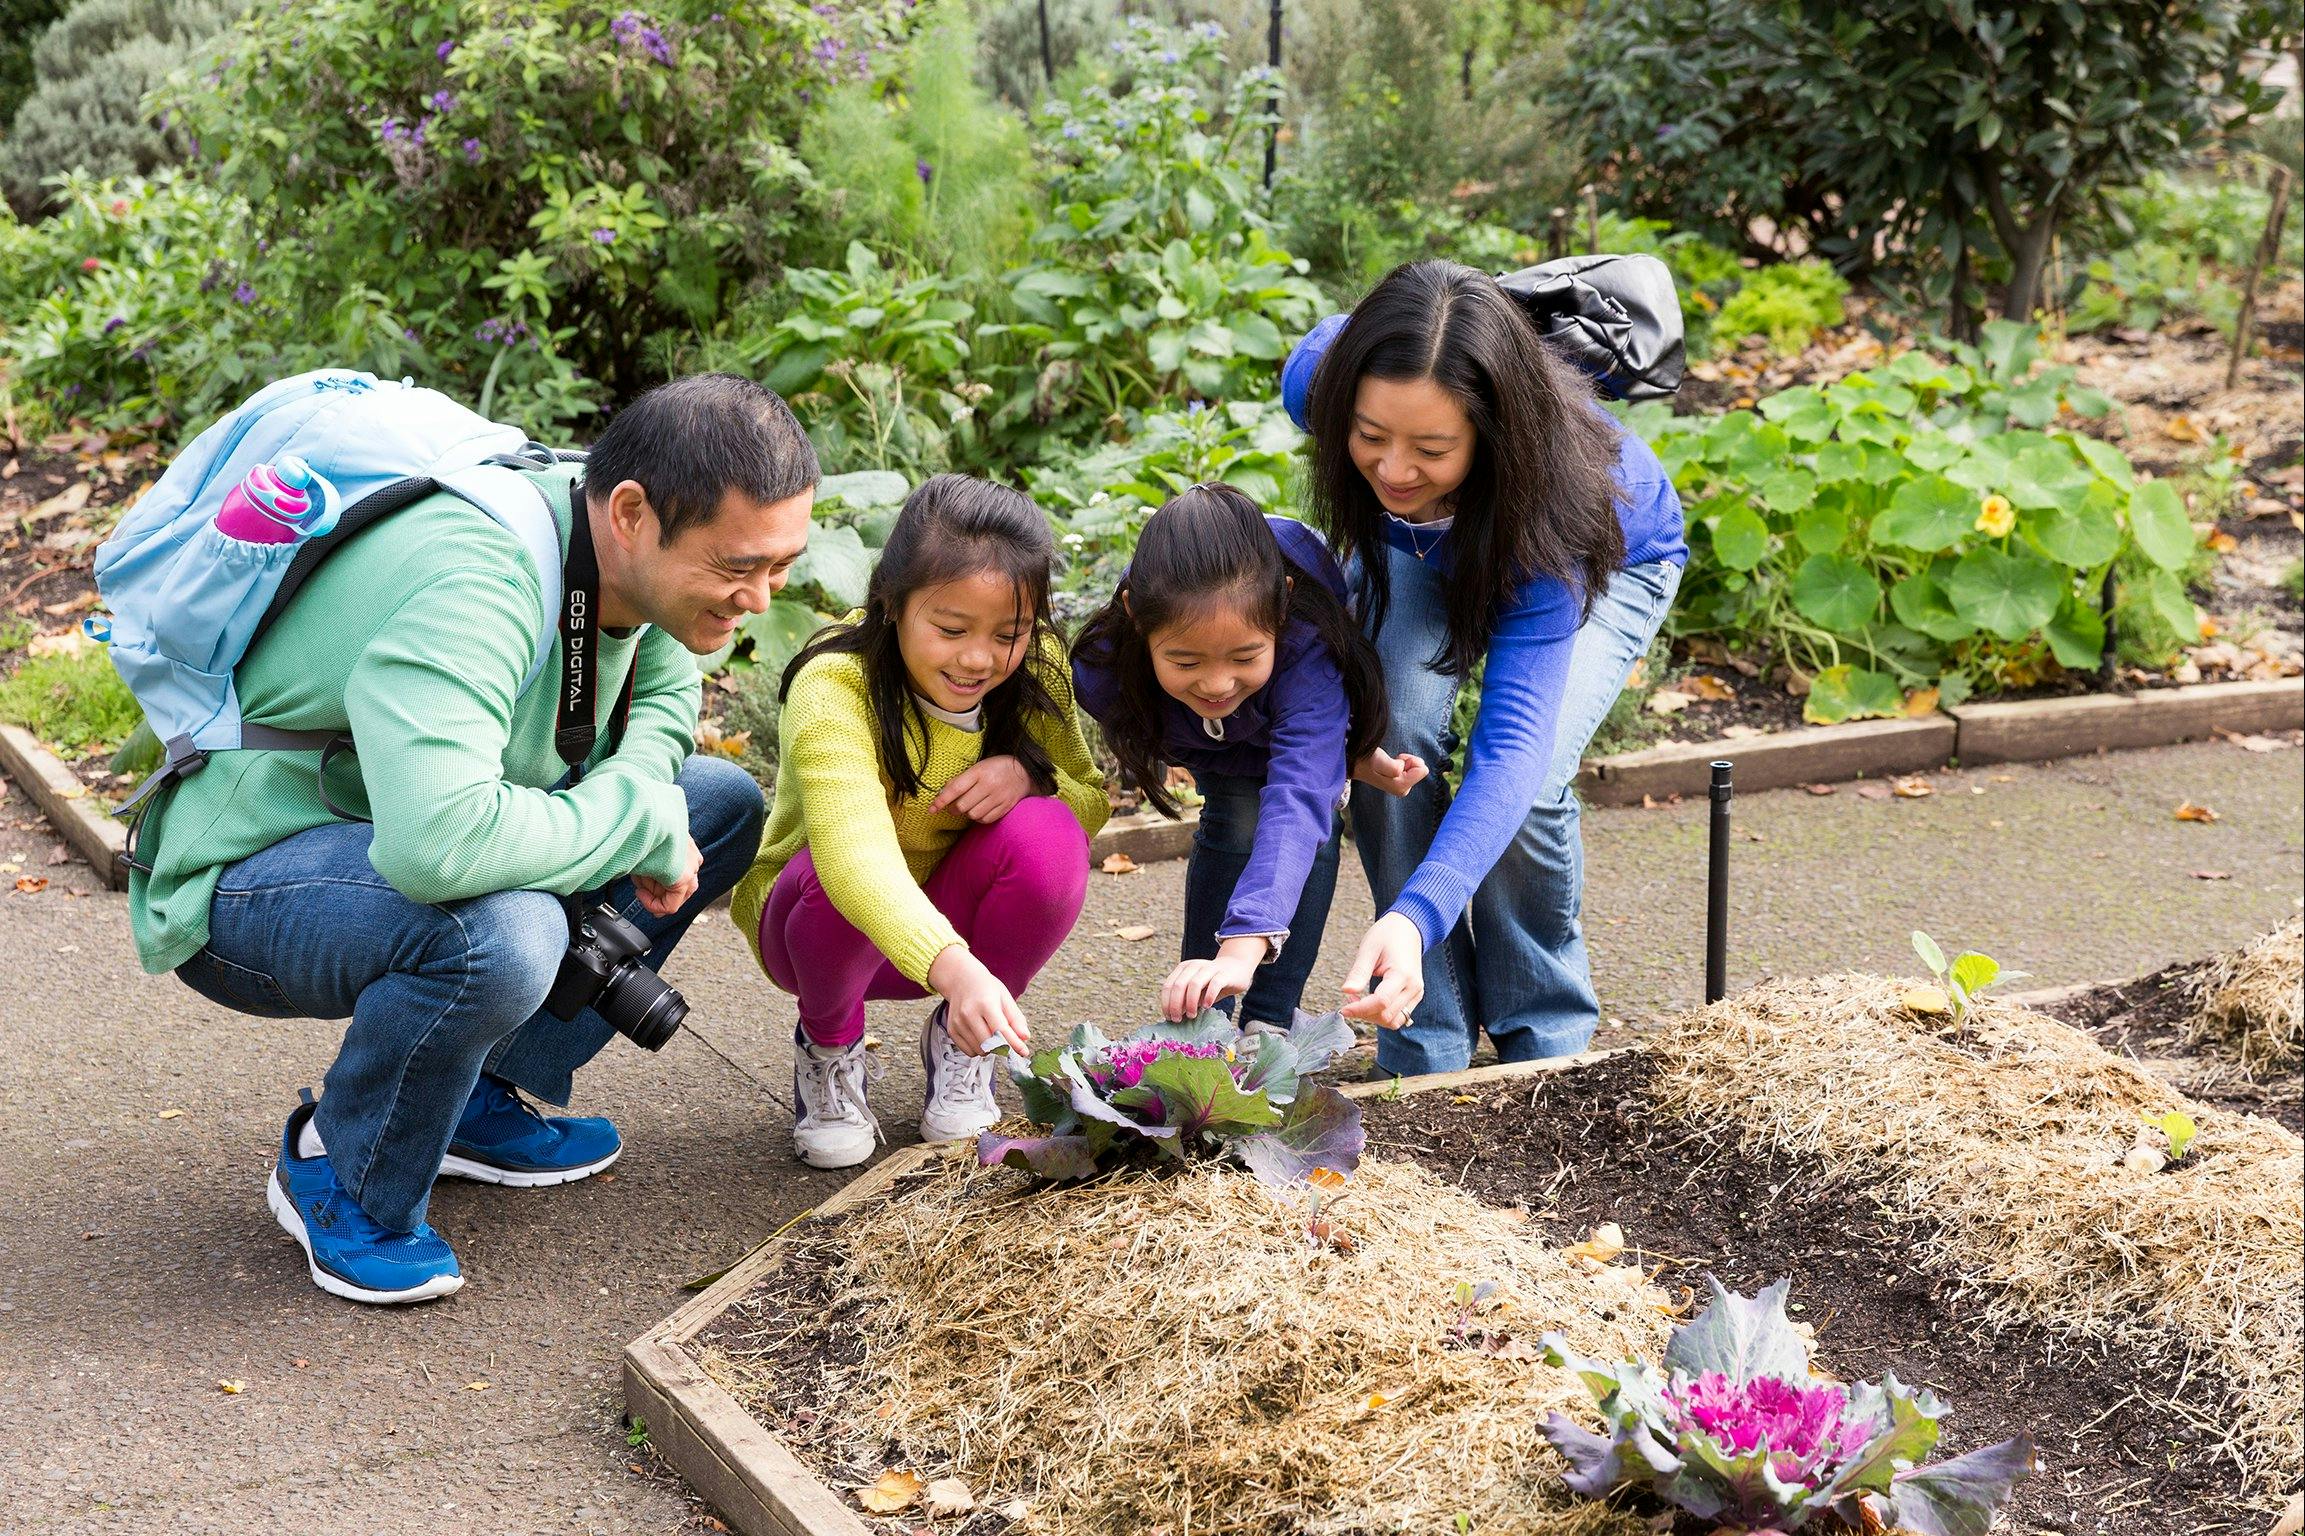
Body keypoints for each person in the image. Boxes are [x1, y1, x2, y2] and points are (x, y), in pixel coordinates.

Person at [131, 373, 814, 1304]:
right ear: (631, 514)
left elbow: (664, 692)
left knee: (715, 801)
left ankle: (466, 1100)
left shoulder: (616, 548)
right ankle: (342, 1170)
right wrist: (633, 819)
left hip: (405, 825)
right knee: (500, 934)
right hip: (250, 877)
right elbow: (438, 847)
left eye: (781, 566)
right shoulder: (478, 577)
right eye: (740, 567)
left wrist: (638, 797)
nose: (760, 598)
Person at [1282, 260, 1688, 1074]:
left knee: (1527, 791)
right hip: (1421, 544)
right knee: (1389, 735)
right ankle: (1422, 1027)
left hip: (1595, 553)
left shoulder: (1560, 500)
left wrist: (1420, 908)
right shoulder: (1322, 378)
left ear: (1489, 434)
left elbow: (1512, 749)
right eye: (1369, 438)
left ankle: (1541, 1034)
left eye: (1430, 448)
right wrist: (1412, 922)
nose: (1393, 470)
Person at [731, 474, 1109, 1171]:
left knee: (1050, 835)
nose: (978, 658)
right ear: (891, 603)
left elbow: (1088, 800)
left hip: (956, 938)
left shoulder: (1036, 667)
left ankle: (966, 1047)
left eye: (1008, 634)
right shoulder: (835, 682)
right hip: (812, 930)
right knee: (836, 873)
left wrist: (1029, 775)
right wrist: (958, 971)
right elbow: (852, 853)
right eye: (951, 629)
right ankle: (828, 1048)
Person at [1071, 483, 1409, 1028]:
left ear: (1281, 610)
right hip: (1205, 728)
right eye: (1186, 662)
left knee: (1306, 830)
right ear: (1136, 616)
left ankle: (1270, 1022)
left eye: (1244, 657)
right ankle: (1204, 1017)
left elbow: (1299, 797)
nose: (1217, 683)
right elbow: (1184, 740)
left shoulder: (1309, 650)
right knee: (1234, 815)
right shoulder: (1104, 668)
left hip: (1291, 704)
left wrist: (1335, 756)